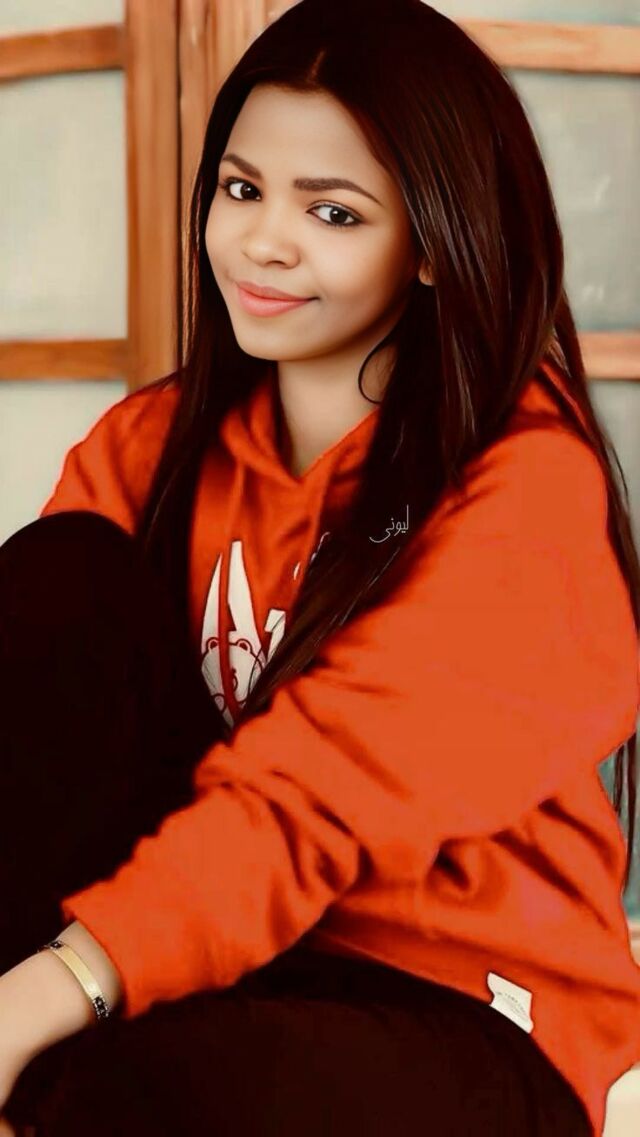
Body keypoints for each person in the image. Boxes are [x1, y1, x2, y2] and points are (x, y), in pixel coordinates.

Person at [0, 0, 639, 1133]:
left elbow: (317, 798)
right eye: (241, 190)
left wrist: (49, 993)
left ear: (433, 242)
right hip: (218, 952)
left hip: (457, 999)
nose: (263, 243)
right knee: (60, 581)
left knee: (144, 1095)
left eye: (332, 212)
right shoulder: (151, 444)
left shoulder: (524, 485)